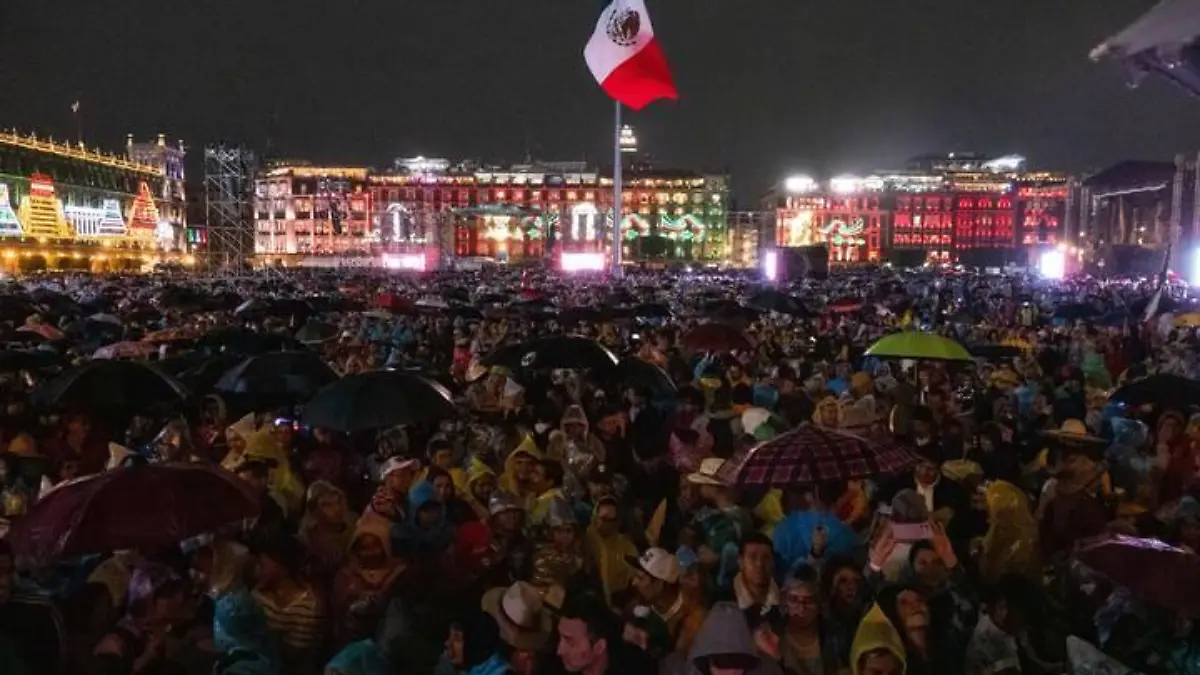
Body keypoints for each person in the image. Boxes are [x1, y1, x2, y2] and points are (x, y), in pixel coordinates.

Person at [627, 547, 707, 653]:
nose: (634, 582)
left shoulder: (691, 621)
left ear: (661, 584)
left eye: (640, 578)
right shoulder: (637, 608)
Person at [556, 592, 652, 675]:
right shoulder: (552, 667)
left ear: (599, 647)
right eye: (560, 638)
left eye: (570, 642)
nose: (559, 650)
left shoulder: (634, 667)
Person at [965, 576, 1031, 675]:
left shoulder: (997, 627)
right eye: (1021, 611)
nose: (1023, 620)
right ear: (1001, 607)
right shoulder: (990, 638)